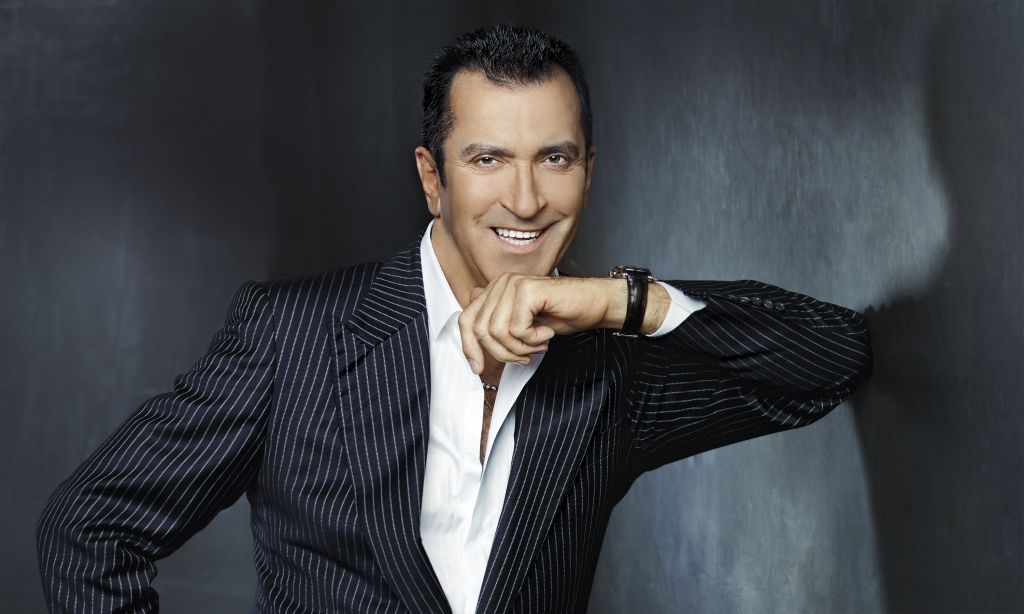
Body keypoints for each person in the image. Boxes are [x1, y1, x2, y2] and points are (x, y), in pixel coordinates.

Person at [36, 24, 873, 614]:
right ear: (433, 178)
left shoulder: (608, 371)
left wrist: (620, 299)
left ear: (588, 171)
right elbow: (90, 530)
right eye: (488, 159)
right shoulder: (292, 338)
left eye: (554, 158)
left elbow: (831, 359)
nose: (525, 199)